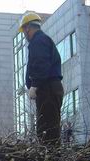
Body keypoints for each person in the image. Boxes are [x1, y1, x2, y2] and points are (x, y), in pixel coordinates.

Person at [20, 12, 63, 145]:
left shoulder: (38, 41)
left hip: (48, 89)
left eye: (23, 31)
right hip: (49, 89)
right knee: (48, 128)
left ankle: (52, 159)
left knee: (47, 130)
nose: (24, 34)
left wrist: (35, 85)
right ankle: (51, 157)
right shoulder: (43, 40)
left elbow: (41, 63)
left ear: (27, 28)